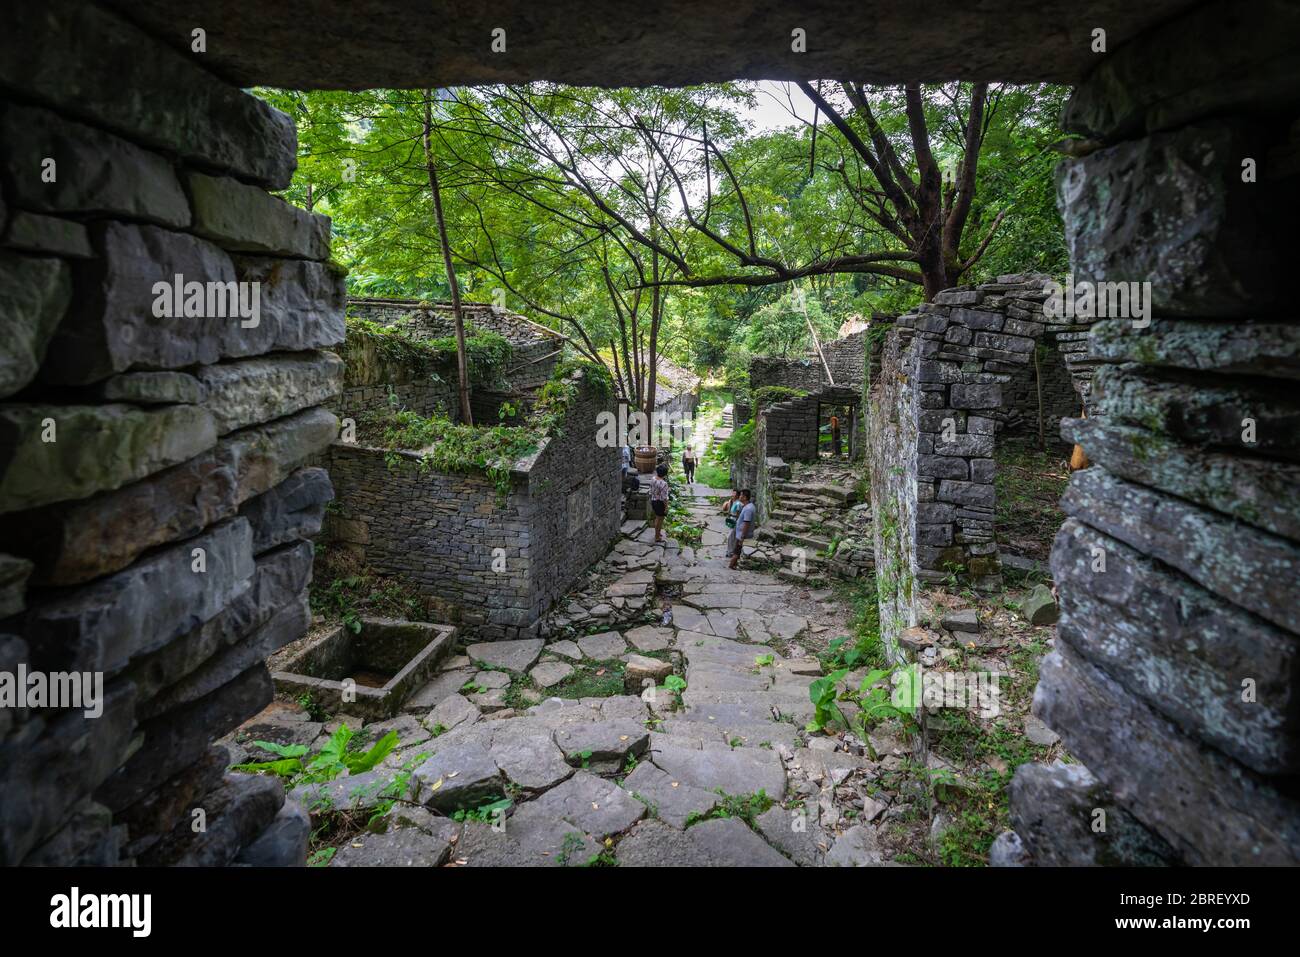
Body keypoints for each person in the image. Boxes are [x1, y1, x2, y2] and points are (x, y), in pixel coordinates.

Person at [729, 488, 756, 569]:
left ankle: (731, 565)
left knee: (737, 551)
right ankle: (734, 565)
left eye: (740, 495)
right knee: (737, 550)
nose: (739, 496)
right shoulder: (748, 506)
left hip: (742, 534)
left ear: (744, 497)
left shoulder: (748, 509)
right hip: (740, 533)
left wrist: (742, 537)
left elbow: (746, 523)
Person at [650, 463, 670, 543]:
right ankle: (657, 537)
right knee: (660, 520)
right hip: (660, 503)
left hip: (653, 500)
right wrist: (666, 507)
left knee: (657, 518)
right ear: (665, 474)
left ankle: (657, 533)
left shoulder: (653, 478)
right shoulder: (664, 484)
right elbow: (664, 498)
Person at [722, 488, 741, 558]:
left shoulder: (738, 504)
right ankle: (729, 551)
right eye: (732, 493)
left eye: (734, 494)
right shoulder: (732, 501)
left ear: (738, 495)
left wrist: (732, 516)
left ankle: (731, 552)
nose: (732, 495)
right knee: (730, 537)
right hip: (731, 520)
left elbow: (739, 515)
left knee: (731, 537)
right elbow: (725, 509)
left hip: (735, 521)